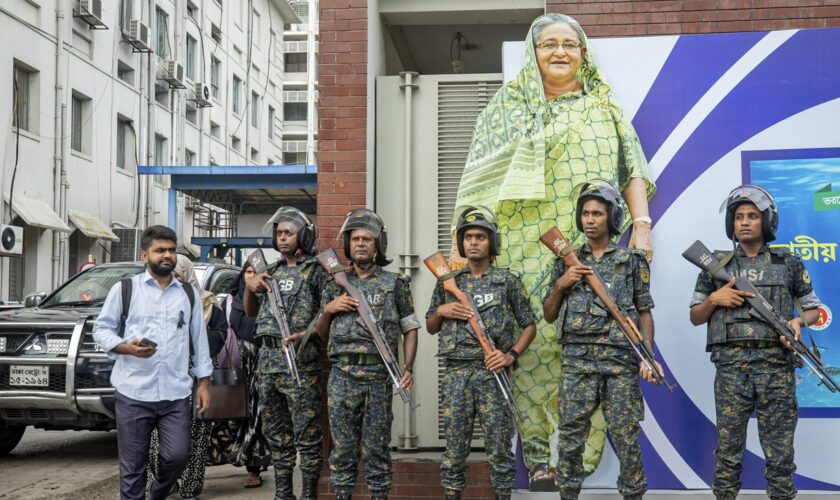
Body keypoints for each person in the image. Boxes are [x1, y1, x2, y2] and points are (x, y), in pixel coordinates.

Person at [453, 13, 656, 487]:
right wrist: (467, 250)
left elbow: (633, 170)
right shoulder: (504, 109)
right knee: (533, 342)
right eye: (548, 45)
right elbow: (477, 183)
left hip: (590, 246)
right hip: (522, 248)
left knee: (595, 343)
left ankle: (580, 458)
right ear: (533, 53)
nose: (560, 52)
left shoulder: (603, 108)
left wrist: (641, 227)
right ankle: (540, 455)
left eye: (570, 44)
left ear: (584, 55)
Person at [689, 185, 821, 500]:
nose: (745, 222)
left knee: (780, 454)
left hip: (776, 370)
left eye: (752, 216)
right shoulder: (716, 265)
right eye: (738, 217)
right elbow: (695, 316)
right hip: (731, 373)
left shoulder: (787, 261)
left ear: (766, 221)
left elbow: (813, 309)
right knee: (729, 452)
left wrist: (797, 322)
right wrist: (715, 299)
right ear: (731, 224)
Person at [543, 180, 661, 500]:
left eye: (597, 213)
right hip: (576, 361)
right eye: (585, 213)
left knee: (625, 435)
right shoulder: (564, 259)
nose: (590, 219)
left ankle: (633, 494)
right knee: (570, 437)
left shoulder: (631, 261)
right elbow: (549, 314)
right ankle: (567, 494)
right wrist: (562, 284)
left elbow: (644, 312)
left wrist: (647, 357)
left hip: (620, 361)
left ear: (611, 217)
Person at [93, 226, 212, 500]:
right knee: (133, 467)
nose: (167, 255)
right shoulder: (125, 289)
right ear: (145, 255)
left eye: (171, 250)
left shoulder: (189, 294)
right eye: (160, 250)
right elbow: (102, 329)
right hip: (134, 392)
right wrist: (126, 348)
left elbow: (199, 339)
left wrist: (204, 382)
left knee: (178, 457)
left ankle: (157, 494)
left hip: (176, 393)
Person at [426, 206, 537, 500]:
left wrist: (510, 355)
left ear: (491, 243)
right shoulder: (447, 282)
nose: (473, 242)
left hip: (493, 373)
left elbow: (529, 325)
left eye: (480, 237)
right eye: (468, 237)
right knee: (454, 450)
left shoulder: (507, 281)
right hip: (456, 375)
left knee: (500, 448)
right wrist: (442, 309)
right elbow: (430, 326)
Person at [315, 208, 420, 500]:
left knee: (376, 449)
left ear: (378, 245)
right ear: (348, 245)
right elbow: (321, 334)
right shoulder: (332, 283)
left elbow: (410, 328)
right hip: (342, 377)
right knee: (343, 450)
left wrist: (407, 367)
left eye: (368, 239)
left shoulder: (395, 284)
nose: (361, 243)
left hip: (378, 378)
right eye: (355, 239)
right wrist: (328, 309)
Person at [243, 207, 326, 500]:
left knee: (307, 434)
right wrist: (249, 287)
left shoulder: (316, 271)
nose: (282, 238)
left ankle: (309, 494)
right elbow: (251, 313)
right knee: (277, 434)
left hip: (300, 364)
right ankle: (283, 493)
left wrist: (307, 334)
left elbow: (326, 316)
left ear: (303, 235)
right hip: (267, 364)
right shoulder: (271, 271)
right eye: (278, 233)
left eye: (288, 233)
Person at [146, 254, 228, 499]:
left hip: (199, 377)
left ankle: (191, 486)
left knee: (198, 432)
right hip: (163, 377)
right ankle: (165, 482)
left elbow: (219, 338)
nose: (175, 281)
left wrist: (189, 342)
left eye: (180, 276)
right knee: (157, 432)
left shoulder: (208, 304)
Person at [207, 261, 271, 488]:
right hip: (236, 364)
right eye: (248, 272)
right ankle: (230, 455)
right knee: (232, 414)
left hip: (262, 363)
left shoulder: (269, 298)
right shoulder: (229, 300)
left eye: (255, 272)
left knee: (255, 416)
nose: (251, 276)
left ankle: (253, 467)